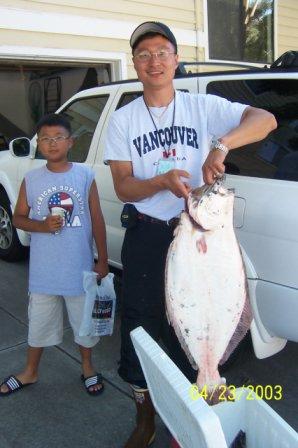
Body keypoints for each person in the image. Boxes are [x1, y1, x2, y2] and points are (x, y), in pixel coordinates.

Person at [104, 21, 277, 448]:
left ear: (176, 60)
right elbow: (123, 186)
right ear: (135, 64)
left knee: (205, 320)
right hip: (147, 234)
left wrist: (221, 146)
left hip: (201, 236)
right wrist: (159, 184)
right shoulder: (123, 120)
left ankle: (197, 415)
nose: (154, 60)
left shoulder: (203, 107)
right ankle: (145, 417)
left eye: (162, 51)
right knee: (141, 328)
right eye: (144, 54)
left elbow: (266, 119)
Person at [0, 113, 109, 397]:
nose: (52, 144)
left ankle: (87, 367)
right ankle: (30, 371)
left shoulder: (85, 176)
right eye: (45, 139)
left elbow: (96, 218)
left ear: (70, 142)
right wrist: (42, 226)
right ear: (39, 143)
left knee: (83, 323)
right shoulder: (32, 178)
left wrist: (103, 259)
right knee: (39, 322)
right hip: (44, 271)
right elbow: (19, 218)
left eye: (58, 137)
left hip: (79, 267)